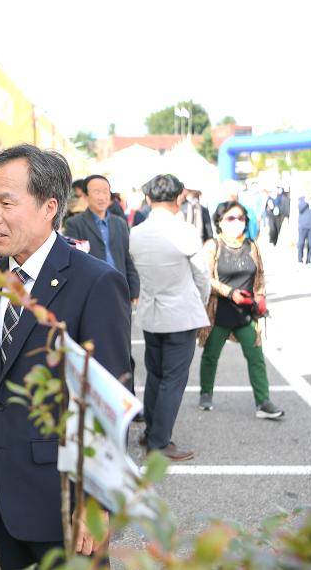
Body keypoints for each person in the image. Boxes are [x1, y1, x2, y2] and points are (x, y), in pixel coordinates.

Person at [0, 145, 131, 567]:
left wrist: (96, 499)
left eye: (6, 203)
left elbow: (107, 402)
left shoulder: (95, 283)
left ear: (50, 207)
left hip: (62, 503)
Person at [130, 174, 210, 461]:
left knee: (156, 374)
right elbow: (202, 276)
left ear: (149, 199)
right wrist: (200, 300)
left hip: (151, 312)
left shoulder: (136, 232)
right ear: (178, 198)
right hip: (180, 314)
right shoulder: (185, 231)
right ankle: (159, 443)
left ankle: (151, 433)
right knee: (172, 380)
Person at [198, 201, 284, 420]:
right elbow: (205, 279)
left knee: (256, 357)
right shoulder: (212, 246)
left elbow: (260, 275)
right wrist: (229, 292)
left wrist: (261, 298)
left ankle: (263, 402)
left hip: (247, 314)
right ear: (219, 222)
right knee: (211, 355)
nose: (236, 222)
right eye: (230, 218)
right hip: (219, 313)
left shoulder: (252, 245)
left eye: (240, 218)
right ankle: (206, 393)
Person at [64, 174, 140, 397]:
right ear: (85, 196)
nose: (102, 196)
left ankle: (128, 400)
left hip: (119, 294)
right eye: (96, 192)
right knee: (95, 350)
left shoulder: (119, 223)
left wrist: (133, 288)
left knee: (124, 350)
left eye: (105, 191)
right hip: (91, 296)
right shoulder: (75, 224)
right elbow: (74, 261)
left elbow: (127, 258)